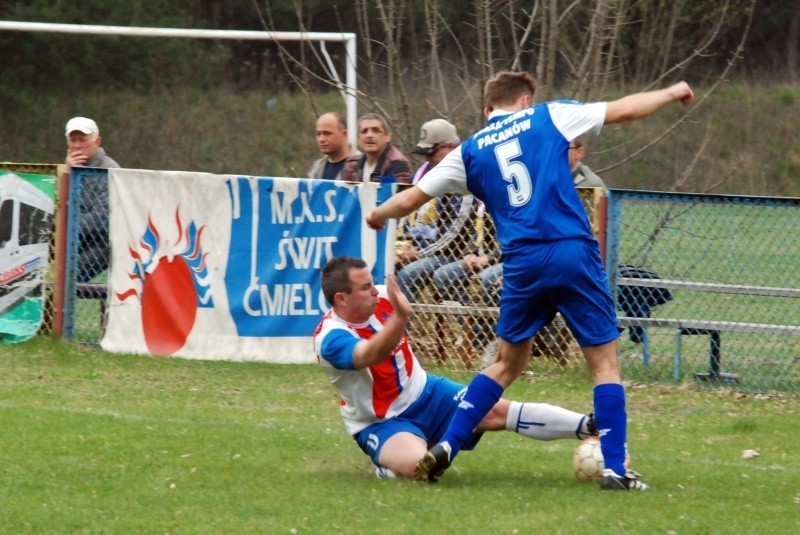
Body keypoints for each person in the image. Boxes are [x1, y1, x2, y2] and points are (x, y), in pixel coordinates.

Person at [367, 71, 694, 490]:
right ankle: (615, 470)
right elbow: (624, 109)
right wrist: (669, 92)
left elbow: (412, 198)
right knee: (605, 364)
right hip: (570, 250)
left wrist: (378, 215)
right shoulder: (550, 115)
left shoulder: (468, 151)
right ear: (525, 101)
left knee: (506, 363)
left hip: (521, 262)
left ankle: (449, 443)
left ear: (488, 110)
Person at [312, 256, 597, 479]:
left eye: (373, 283)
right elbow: (367, 356)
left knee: (495, 410)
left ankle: (590, 426)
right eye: (365, 288)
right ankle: (390, 465)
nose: (375, 291)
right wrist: (399, 320)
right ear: (342, 298)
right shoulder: (330, 338)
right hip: (381, 420)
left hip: (425, 392)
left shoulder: (386, 297)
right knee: (422, 468)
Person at [395, 119, 496, 302]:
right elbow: (409, 215)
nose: (427, 158)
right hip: (424, 246)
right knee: (388, 265)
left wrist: (418, 253)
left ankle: (471, 325)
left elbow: (454, 233)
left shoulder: (464, 173)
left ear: (450, 147)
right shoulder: (424, 171)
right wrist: (402, 247)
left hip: (454, 251)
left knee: (409, 274)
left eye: (431, 152)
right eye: (424, 153)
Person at [64, 117, 120, 283]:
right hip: (68, 241)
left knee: (64, 279)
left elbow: (102, 218)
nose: (77, 145)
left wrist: (63, 232)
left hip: (101, 245)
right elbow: (57, 206)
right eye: (72, 140)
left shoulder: (109, 170)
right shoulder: (67, 169)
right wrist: (67, 173)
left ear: (97, 142)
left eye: (82, 140)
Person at [342, 113, 412, 184]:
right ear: (358, 139)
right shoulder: (352, 165)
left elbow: (397, 193)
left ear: (388, 136)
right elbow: (345, 193)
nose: (369, 135)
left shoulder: (398, 165)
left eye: (375, 130)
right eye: (364, 131)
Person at [307, 112, 361, 180]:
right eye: (318, 134)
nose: (321, 139)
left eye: (327, 134)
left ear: (344, 134)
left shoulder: (361, 166)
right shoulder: (317, 168)